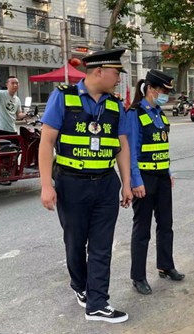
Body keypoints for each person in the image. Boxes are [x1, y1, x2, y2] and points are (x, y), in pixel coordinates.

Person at [39, 49, 133, 323]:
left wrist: (126, 183)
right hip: (71, 185)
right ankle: (80, 286)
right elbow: (46, 142)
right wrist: (46, 185)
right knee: (75, 243)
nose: (118, 79)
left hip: (105, 184)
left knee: (102, 246)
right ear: (99, 71)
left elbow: (122, 146)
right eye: (116, 73)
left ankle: (97, 303)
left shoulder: (115, 105)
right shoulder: (63, 97)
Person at [127, 70, 185, 296]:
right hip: (144, 179)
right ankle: (138, 276)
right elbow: (131, 151)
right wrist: (135, 181)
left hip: (161, 177)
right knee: (142, 230)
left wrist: (167, 171)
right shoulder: (135, 113)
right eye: (163, 91)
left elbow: (161, 147)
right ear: (150, 88)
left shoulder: (159, 114)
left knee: (166, 224)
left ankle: (165, 265)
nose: (165, 96)